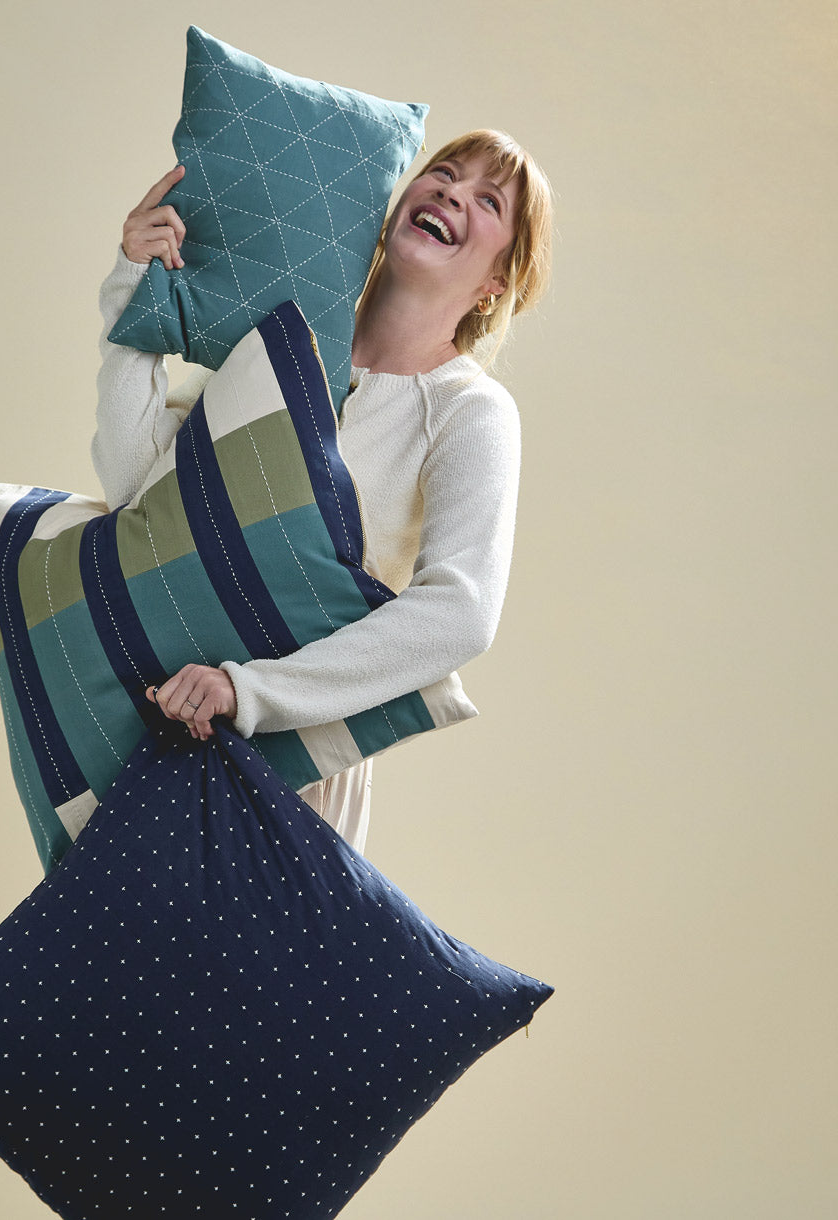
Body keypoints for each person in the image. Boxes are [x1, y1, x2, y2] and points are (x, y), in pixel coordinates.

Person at [92, 129, 552, 853]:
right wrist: (136, 286)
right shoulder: (278, 347)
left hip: (287, 771)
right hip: (152, 722)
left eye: (487, 199)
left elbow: (463, 612)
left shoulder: (469, 411)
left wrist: (251, 693)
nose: (452, 191)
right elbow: (135, 487)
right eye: (442, 172)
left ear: (499, 281)